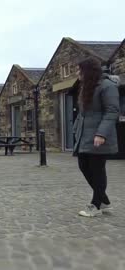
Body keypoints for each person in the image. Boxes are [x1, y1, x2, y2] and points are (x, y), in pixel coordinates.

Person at [74, 58, 120, 217]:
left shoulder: (107, 86)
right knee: (83, 165)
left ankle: (96, 204)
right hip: (85, 136)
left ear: (88, 71)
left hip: (99, 136)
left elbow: (112, 111)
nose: (77, 73)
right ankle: (104, 201)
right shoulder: (87, 87)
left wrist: (101, 134)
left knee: (97, 169)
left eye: (79, 70)